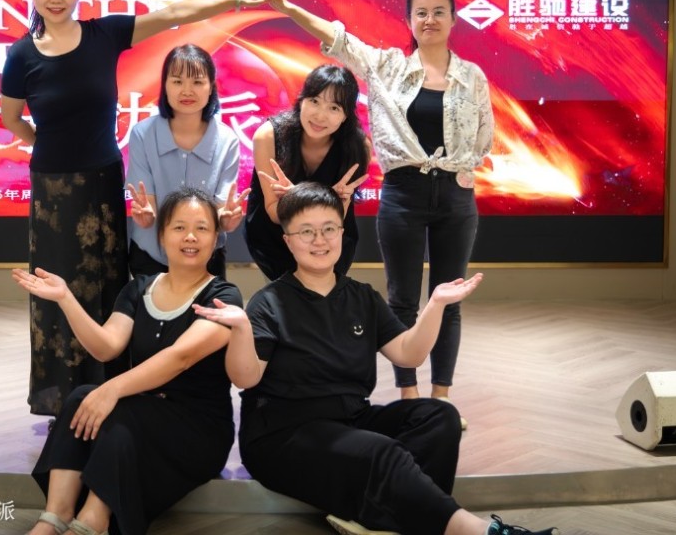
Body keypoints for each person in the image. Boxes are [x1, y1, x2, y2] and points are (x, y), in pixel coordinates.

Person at [0, 0, 274, 417]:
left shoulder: (103, 34)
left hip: (103, 182)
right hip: (53, 191)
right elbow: (11, 119)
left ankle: (112, 391)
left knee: (109, 287)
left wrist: (238, 0)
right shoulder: (22, 54)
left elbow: (175, 15)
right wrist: (50, 144)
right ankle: (60, 398)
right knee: (56, 289)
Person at [195, 183, 557, 535]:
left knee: (439, 417)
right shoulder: (269, 302)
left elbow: (408, 353)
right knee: (379, 450)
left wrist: (435, 304)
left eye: (329, 228)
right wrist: (241, 329)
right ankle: (480, 531)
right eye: (306, 231)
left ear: (341, 232)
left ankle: (390, 523)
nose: (320, 240)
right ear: (288, 241)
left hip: (350, 419)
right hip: (283, 435)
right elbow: (246, 378)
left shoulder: (362, 297)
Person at [256, 0, 494, 427]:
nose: (429, 19)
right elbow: (337, 38)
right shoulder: (386, 67)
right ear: (409, 20)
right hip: (403, 193)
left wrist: (457, 169)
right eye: (421, 12)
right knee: (402, 299)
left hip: (456, 195)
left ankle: (442, 396)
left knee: (448, 297)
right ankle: (409, 393)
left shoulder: (473, 77)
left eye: (438, 12)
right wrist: (288, 9)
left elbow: (485, 135)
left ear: (453, 19)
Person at [13, 187, 242, 535]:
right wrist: (65, 299)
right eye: (179, 227)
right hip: (145, 415)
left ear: (216, 239)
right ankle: (55, 516)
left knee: (119, 410)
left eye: (202, 228)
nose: (190, 237)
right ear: (162, 236)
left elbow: (180, 357)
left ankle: (92, 521)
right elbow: (106, 347)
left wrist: (113, 389)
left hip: (198, 430)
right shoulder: (140, 289)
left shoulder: (223, 296)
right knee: (80, 398)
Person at [125, 44, 248, 280]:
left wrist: (226, 219)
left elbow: (221, 210)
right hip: (152, 255)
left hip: (206, 258)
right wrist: (146, 216)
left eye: (197, 82)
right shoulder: (143, 134)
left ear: (211, 87)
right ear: (165, 85)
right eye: (177, 81)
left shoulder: (227, 140)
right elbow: (147, 205)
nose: (187, 91)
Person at [243, 64, 371, 281]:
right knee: (284, 297)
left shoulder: (358, 147)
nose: (320, 116)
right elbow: (274, 212)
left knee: (325, 297)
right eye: (314, 101)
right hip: (275, 238)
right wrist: (311, 201)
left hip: (329, 240)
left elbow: (338, 217)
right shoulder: (269, 136)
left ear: (345, 116)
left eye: (334, 108)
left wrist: (337, 203)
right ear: (301, 100)